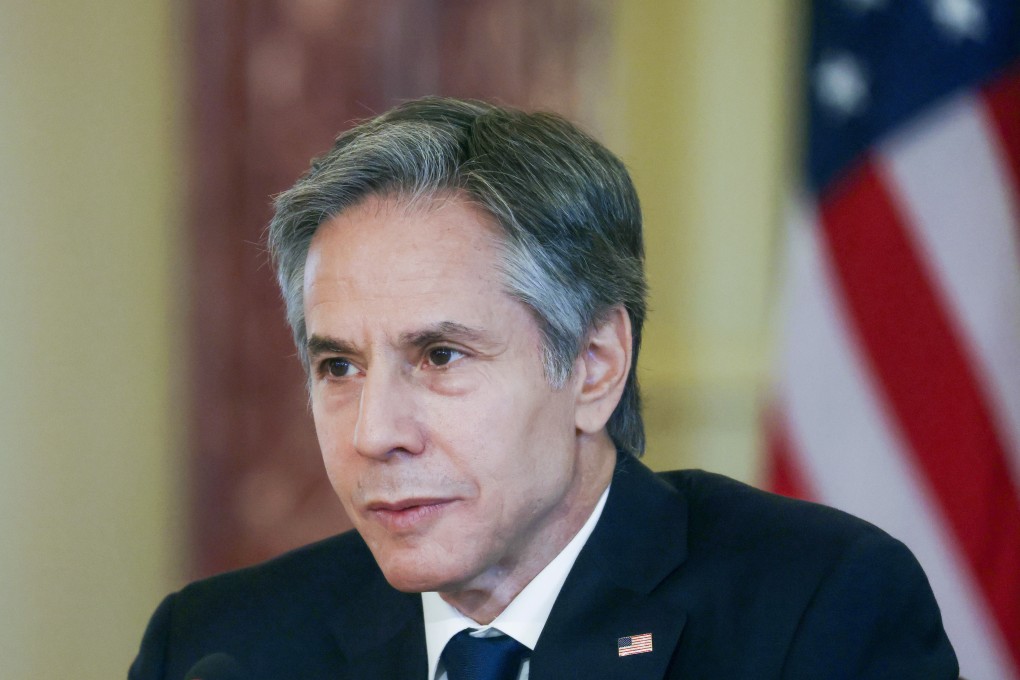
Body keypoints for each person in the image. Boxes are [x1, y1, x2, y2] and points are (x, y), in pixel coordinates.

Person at [129, 97, 958, 679]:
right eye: (338, 366)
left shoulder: (816, 612)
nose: (374, 433)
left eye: (440, 356)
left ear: (594, 365)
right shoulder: (217, 647)